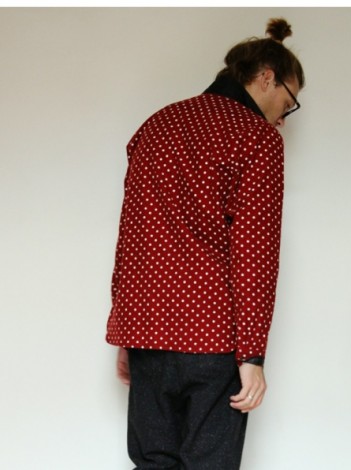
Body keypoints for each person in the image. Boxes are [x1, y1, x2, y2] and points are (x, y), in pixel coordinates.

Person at [106, 17, 305, 469]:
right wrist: (252, 355)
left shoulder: (155, 125)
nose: (282, 117)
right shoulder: (256, 138)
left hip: (147, 330)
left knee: (152, 462)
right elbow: (255, 252)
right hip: (211, 335)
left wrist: (125, 331)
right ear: (266, 77)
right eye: (289, 102)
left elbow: (132, 235)